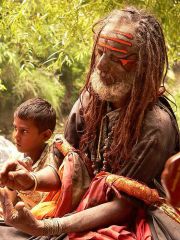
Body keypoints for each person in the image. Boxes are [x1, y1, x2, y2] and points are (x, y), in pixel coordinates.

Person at [0, 6, 179, 240]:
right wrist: (31, 180)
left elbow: (124, 205)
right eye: (101, 52)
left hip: (130, 221)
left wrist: (48, 227)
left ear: (143, 65)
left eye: (116, 57)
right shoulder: (89, 101)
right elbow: (67, 168)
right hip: (77, 211)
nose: (101, 64)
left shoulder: (156, 125)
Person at [1, 97, 59, 210]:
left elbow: (46, 206)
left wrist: (28, 182)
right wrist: (10, 185)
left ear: (46, 135)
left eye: (24, 131)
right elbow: (9, 201)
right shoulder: (16, 157)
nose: (16, 136)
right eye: (15, 128)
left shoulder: (53, 162)